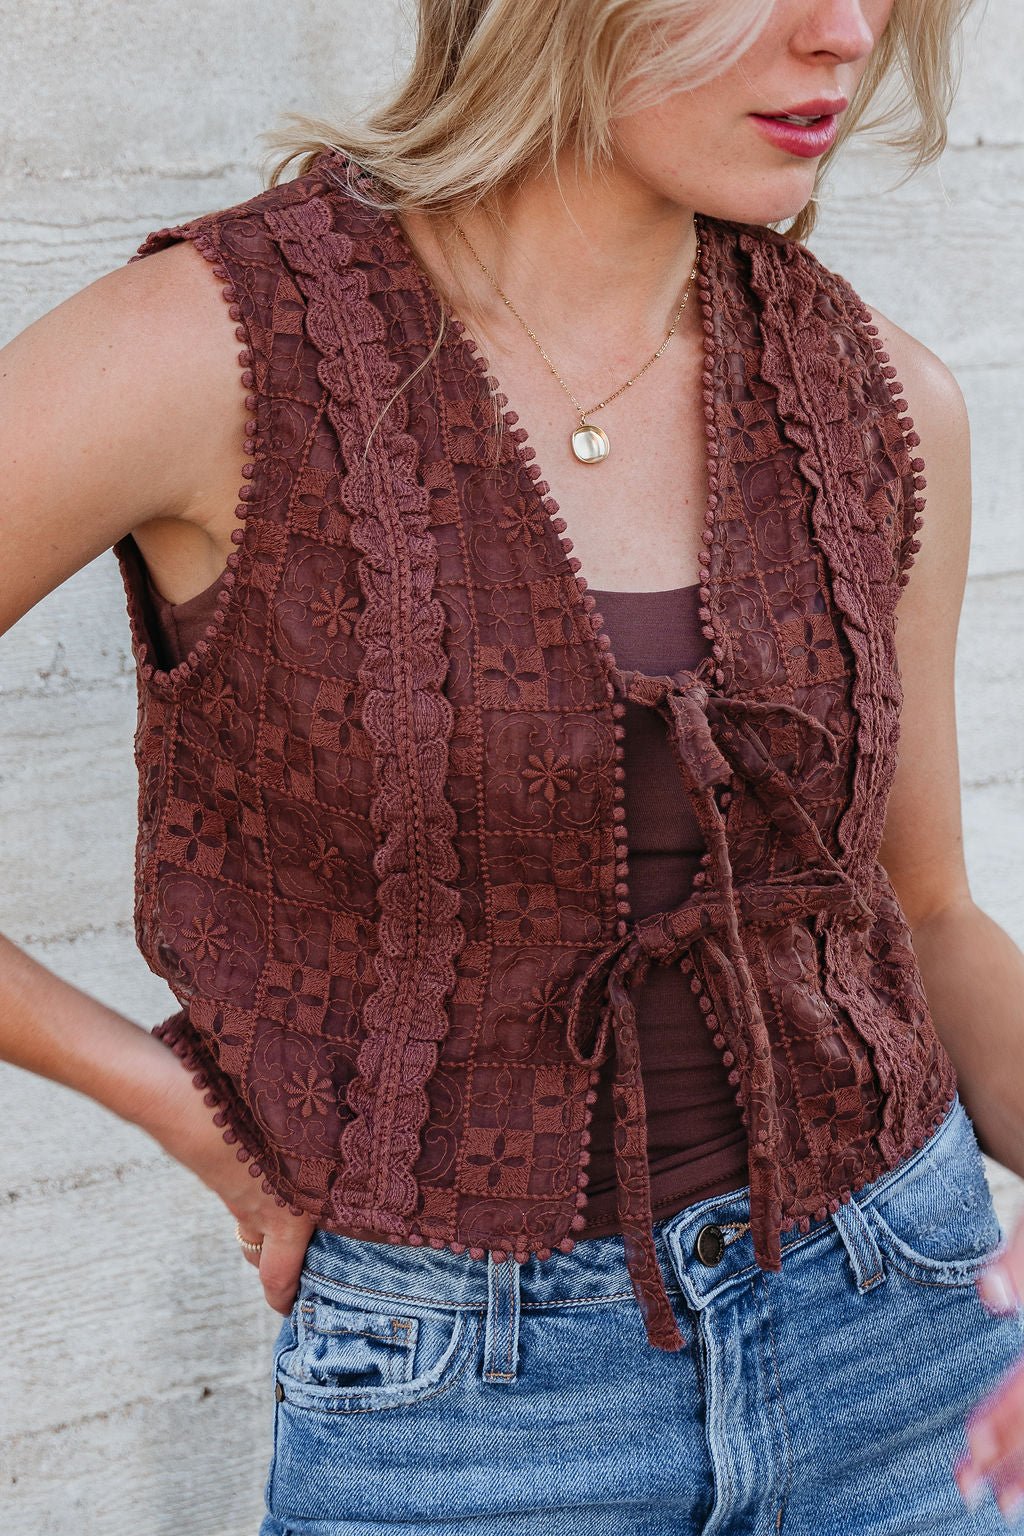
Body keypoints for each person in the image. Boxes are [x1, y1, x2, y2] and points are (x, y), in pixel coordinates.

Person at [3, 0, 1024, 1529]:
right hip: (458, 1409)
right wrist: (179, 1106)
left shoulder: (883, 399)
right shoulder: (213, 350)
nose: (846, 35)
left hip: (908, 1336)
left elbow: (925, 913)